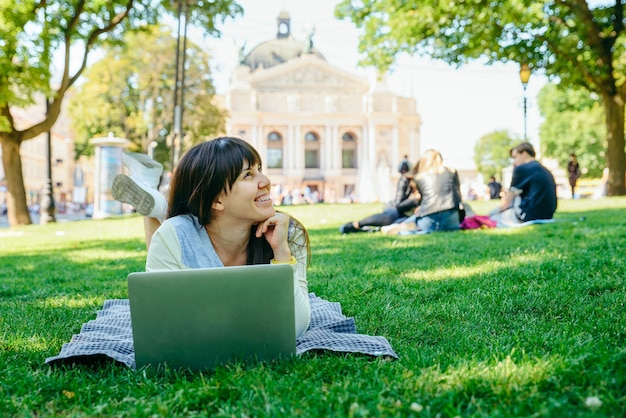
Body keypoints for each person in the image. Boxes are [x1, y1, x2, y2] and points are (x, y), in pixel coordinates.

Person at [111, 136, 311, 337]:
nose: (266, 182)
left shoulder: (286, 233)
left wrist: (281, 253)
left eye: (260, 170)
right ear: (216, 200)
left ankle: (156, 203)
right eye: (248, 175)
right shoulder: (174, 236)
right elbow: (161, 324)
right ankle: (156, 207)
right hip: (182, 233)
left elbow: (297, 327)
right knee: (177, 233)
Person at [339, 159, 419, 233]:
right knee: (390, 217)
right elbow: (399, 204)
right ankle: (356, 224)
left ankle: (380, 228)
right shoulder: (405, 180)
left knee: (403, 222)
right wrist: (415, 200)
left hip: (408, 214)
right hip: (395, 207)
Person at [490, 142, 557, 226]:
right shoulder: (545, 170)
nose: (514, 162)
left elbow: (507, 201)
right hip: (547, 216)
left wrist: (493, 213)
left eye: (515, 157)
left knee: (493, 218)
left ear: (524, 154)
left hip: (529, 216)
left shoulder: (522, 169)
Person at [401, 149, 464, 234]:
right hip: (451, 219)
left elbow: (424, 201)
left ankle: (402, 226)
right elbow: (458, 196)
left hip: (428, 219)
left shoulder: (419, 177)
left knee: (415, 219)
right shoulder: (452, 172)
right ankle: (405, 227)